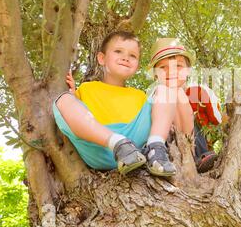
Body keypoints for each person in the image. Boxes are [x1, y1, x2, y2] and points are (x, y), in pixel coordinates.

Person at [53, 31, 185, 177]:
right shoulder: (86, 88)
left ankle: (156, 148)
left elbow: (159, 115)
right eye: (118, 51)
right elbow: (74, 116)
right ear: (102, 58)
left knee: (164, 90)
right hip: (99, 145)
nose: (125, 58)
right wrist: (71, 93)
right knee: (63, 100)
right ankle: (117, 143)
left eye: (132, 56)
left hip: (135, 144)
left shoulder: (140, 96)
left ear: (137, 65)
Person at [147, 38, 223, 173]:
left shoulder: (197, 92)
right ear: (155, 74)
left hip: (191, 140)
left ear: (188, 71)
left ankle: (195, 155)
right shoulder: (153, 94)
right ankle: (160, 155)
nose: (171, 71)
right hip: (165, 144)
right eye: (163, 67)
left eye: (178, 66)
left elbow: (218, 121)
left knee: (182, 97)